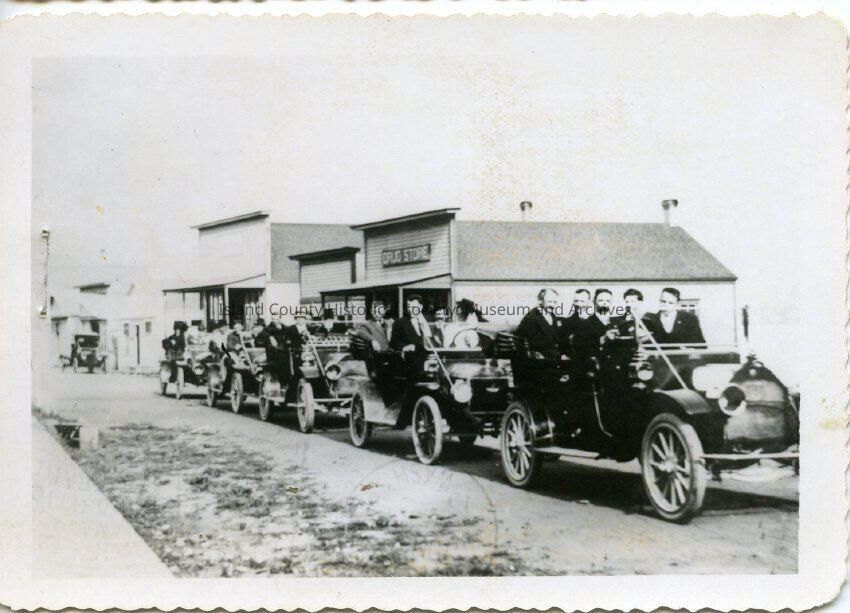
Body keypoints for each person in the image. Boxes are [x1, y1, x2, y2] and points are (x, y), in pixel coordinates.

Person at [516, 288, 567, 360]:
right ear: (540, 301)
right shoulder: (531, 318)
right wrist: (560, 356)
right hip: (536, 359)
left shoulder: (552, 316)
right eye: (550, 301)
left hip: (551, 355)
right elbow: (537, 345)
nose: (552, 305)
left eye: (555, 302)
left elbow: (556, 339)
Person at [573, 289, 621, 359]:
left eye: (608, 301)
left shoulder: (618, 322)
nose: (604, 303)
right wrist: (603, 339)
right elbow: (580, 349)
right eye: (601, 300)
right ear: (594, 301)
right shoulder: (584, 324)